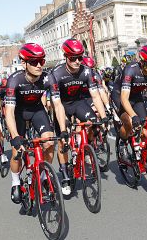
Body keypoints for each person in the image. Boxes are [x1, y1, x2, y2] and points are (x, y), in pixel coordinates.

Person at [5, 43, 69, 203]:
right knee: (16, 152)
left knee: (49, 141)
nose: (39, 65)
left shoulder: (49, 77)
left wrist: (63, 130)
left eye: (41, 60)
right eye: (34, 62)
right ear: (24, 63)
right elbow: (9, 112)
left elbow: (58, 104)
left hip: (37, 110)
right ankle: (15, 181)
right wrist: (15, 137)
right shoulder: (14, 80)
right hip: (18, 112)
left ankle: (41, 175)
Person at [48, 40, 108, 195]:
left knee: (95, 124)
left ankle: (83, 147)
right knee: (63, 140)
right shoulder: (56, 73)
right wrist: (63, 128)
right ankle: (66, 175)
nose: (77, 62)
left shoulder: (87, 71)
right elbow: (56, 104)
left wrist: (104, 116)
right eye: (72, 58)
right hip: (62, 105)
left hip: (79, 102)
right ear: (65, 56)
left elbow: (95, 96)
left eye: (80, 58)